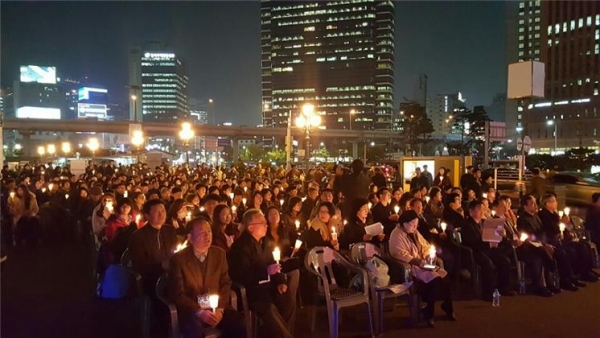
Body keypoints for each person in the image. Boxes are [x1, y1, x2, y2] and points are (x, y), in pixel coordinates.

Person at [168, 217, 247, 338]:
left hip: (217, 306)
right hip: (192, 309)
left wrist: (220, 308)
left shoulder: (219, 254)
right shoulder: (179, 259)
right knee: (193, 329)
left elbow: (226, 283)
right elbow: (178, 293)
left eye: (209, 231)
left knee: (238, 322)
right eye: (201, 233)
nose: (207, 236)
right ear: (190, 237)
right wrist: (199, 311)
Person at [227, 209, 294, 338]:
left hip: (268, 286)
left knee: (287, 298)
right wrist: (266, 271)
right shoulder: (240, 247)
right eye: (262, 223)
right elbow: (241, 274)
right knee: (268, 307)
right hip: (252, 290)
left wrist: (280, 281)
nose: (266, 225)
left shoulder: (264, 242)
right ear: (251, 228)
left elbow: (273, 263)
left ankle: (280, 333)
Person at [389, 210, 455, 327]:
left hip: (423, 263)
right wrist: (418, 261)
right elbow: (398, 253)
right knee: (434, 280)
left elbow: (425, 244)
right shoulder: (396, 235)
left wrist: (428, 253)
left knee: (445, 276)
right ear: (404, 223)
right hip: (412, 267)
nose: (415, 227)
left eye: (416, 224)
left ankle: (448, 306)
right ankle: (429, 312)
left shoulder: (414, 232)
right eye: (412, 225)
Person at [492, 197, 555, 297]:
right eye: (502, 206)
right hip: (508, 249)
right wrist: (511, 241)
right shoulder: (494, 221)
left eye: (506, 206)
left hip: (519, 246)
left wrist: (519, 238)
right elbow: (497, 240)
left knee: (539, 254)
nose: (505, 208)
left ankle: (545, 284)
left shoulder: (507, 220)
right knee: (537, 255)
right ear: (495, 207)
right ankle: (540, 285)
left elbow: (515, 233)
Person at [517, 194, 580, 291]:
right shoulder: (522, 219)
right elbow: (529, 236)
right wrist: (543, 244)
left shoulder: (536, 217)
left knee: (559, 252)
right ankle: (540, 286)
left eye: (535, 202)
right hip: (530, 247)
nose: (535, 205)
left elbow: (543, 232)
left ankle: (558, 281)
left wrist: (545, 243)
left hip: (542, 243)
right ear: (525, 206)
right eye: (532, 203)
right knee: (541, 256)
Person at [461, 199, 515, 300]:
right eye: (480, 209)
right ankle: (487, 292)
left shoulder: (484, 223)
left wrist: (501, 235)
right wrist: (487, 242)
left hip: (487, 249)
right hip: (474, 252)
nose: (483, 212)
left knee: (505, 261)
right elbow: (472, 243)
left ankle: (503, 288)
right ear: (471, 211)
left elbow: (492, 237)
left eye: (484, 209)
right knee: (487, 263)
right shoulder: (467, 225)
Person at [538, 193, 597, 283]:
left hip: (562, 238)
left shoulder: (555, 213)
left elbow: (564, 227)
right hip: (553, 240)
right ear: (547, 203)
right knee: (570, 251)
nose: (556, 203)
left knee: (583, 245)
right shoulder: (543, 214)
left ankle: (586, 271)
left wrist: (569, 231)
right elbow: (550, 229)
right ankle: (568, 277)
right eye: (553, 201)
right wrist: (560, 222)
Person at [128, 199, 178, 296]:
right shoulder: (138, 236)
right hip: (151, 277)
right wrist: (161, 265)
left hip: (171, 274)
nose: (161, 214)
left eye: (163, 211)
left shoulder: (170, 230)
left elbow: (175, 252)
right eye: (156, 212)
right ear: (147, 216)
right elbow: (139, 264)